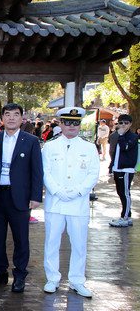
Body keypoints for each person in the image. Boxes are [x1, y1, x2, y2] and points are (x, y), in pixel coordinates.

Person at [42, 107, 99, 298]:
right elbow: (45, 172)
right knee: (52, 242)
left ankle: (77, 280)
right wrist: (57, 191)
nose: (72, 126)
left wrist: (78, 191)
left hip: (78, 202)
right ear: (61, 124)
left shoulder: (89, 147)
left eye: (75, 123)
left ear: (79, 125)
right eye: (68, 122)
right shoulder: (50, 146)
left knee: (79, 244)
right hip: (55, 202)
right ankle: (52, 278)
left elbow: (93, 173)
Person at [0, 103, 43, 293]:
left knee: (21, 238)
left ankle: (19, 275)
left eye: (15, 115)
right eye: (7, 114)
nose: (11, 118)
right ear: (2, 118)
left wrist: (36, 196)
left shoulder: (31, 141)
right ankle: (0, 272)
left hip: (19, 197)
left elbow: (37, 171)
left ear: (21, 118)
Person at [108, 114, 138, 227]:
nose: (123, 125)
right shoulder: (117, 136)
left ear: (130, 124)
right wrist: (111, 167)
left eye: (126, 123)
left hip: (126, 169)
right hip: (118, 168)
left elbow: (125, 147)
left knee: (125, 193)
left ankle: (125, 217)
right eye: (121, 123)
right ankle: (127, 215)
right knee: (120, 192)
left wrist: (121, 135)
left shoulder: (132, 137)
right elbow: (115, 152)